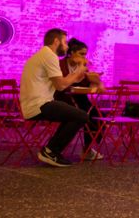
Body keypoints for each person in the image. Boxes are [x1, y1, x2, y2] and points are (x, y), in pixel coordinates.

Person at [19, 28, 91, 167]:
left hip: (35, 104)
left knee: (73, 115)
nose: (66, 46)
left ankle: (51, 150)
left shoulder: (42, 55)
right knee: (82, 116)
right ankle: (51, 151)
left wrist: (76, 75)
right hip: (40, 105)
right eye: (64, 42)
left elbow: (60, 82)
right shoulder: (49, 56)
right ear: (56, 41)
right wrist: (78, 73)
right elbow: (60, 86)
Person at [55, 38, 105, 160]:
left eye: (85, 54)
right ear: (71, 52)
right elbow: (60, 84)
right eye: (81, 54)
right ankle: (58, 148)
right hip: (63, 97)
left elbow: (93, 85)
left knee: (99, 116)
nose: (84, 57)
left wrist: (96, 82)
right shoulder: (60, 65)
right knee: (86, 115)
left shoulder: (83, 66)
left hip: (80, 98)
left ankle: (87, 148)